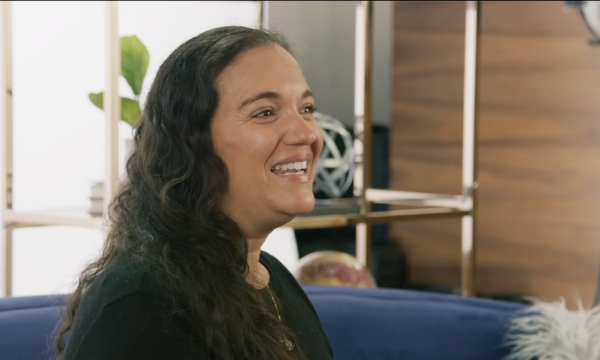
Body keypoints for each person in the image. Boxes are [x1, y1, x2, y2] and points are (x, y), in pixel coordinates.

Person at [55, 26, 331, 360]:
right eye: (265, 113)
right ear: (191, 142)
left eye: (307, 109)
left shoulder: (273, 279)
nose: (306, 133)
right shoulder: (143, 304)